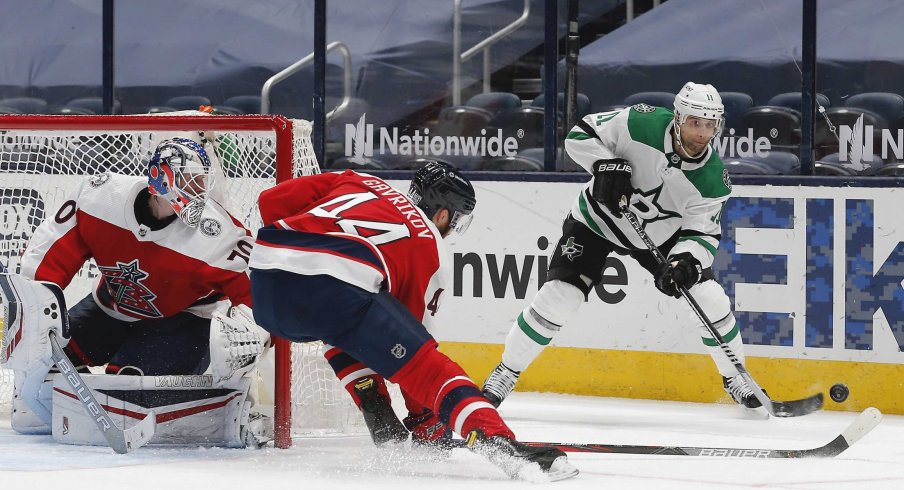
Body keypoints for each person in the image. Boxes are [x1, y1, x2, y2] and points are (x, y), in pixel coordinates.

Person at [248, 161, 577, 481]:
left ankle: (371, 397)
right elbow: (412, 361)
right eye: (456, 220)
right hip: (337, 287)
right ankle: (499, 441)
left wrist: (298, 253)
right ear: (444, 214)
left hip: (266, 281)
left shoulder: (360, 179)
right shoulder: (430, 246)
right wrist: (426, 422)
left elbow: (269, 201)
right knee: (426, 365)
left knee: (341, 316)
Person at [482, 82, 765, 412]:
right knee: (561, 295)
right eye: (694, 122)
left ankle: (736, 377)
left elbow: (702, 232)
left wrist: (686, 260)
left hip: (660, 236)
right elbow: (579, 135)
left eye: (709, 124)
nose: (702, 133)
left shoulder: (713, 179)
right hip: (597, 221)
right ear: (677, 118)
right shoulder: (639, 122)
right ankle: (506, 372)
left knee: (708, 296)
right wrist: (603, 164)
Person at [4, 135, 271, 447]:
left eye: (202, 182)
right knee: (33, 385)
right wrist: (37, 305)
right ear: (158, 178)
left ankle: (238, 394)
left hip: (181, 321)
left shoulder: (219, 235)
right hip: (109, 307)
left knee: (125, 395)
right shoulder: (101, 198)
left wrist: (252, 336)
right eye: (189, 180)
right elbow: (49, 255)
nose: (198, 191)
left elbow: (262, 296)